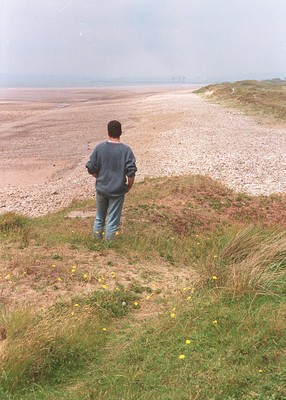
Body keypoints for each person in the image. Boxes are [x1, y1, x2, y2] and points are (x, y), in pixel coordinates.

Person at [86, 120, 137, 240]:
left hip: (101, 188)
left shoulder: (100, 148)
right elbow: (131, 173)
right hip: (117, 190)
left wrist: (99, 177)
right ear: (121, 132)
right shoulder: (126, 150)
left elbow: (90, 167)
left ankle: (95, 242)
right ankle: (109, 247)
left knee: (99, 218)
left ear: (107, 132)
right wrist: (128, 187)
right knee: (112, 221)